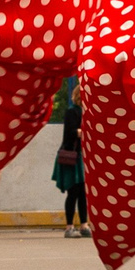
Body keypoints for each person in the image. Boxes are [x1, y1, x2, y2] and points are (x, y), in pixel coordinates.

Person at [54, 78, 89, 239]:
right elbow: (69, 132)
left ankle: (84, 224)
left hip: (82, 157)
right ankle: (69, 226)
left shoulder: (87, 112)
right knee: (73, 192)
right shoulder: (72, 111)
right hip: (73, 157)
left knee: (83, 193)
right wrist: (81, 132)